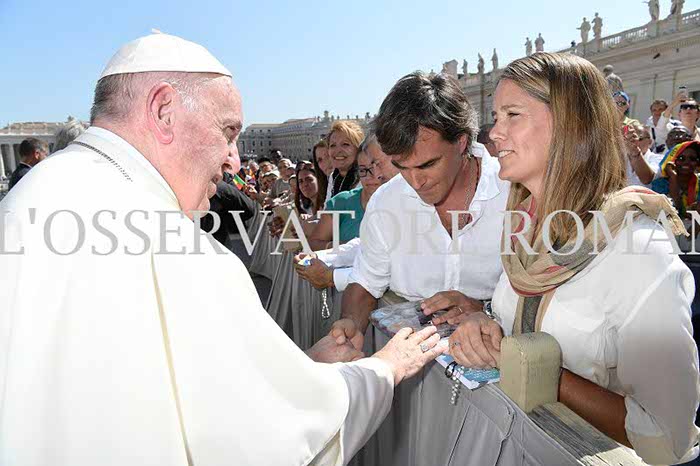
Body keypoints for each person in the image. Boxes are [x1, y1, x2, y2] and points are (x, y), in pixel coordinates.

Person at [0, 33, 447, 465]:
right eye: (227, 131)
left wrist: (306, 366)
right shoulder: (174, 244)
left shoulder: (37, 193)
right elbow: (261, 436)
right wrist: (383, 369)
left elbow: (189, 399)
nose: (234, 159)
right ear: (163, 110)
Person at [450, 52, 699, 465]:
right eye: (495, 116)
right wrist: (486, 320)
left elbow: (665, 436)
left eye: (513, 115)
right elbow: (527, 324)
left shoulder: (638, 250)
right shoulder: (523, 230)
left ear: (572, 124)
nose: (494, 133)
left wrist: (536, 369)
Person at [331, 71, 510, 351]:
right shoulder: (386, 201)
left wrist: (484, 310)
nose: (415, 182)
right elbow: (365, 281)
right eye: (402, 167)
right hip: (408, 360)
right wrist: (351, 323)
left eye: (427, 165)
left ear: (461, 142)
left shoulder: (515, 193)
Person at [296, 133, 401, 292]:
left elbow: (386, 264)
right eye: (364, 170)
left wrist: (332, 275)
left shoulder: (404, 199)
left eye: (378, 165)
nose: (374, 176)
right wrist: (321, 256)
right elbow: (365, 247)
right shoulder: (370, 202)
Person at [651, 140, 700, 218]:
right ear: (672, 161)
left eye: (692, 158)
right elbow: (674, 212)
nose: (687, 162)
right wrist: (673, 177)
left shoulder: (699, 182)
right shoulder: (660, 185)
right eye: (681, 158)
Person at [326, 120, 362, 204]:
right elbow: (327, 208)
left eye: (345, 144)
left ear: (358, 148)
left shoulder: (366, 177)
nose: (338, 150)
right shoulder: (334, 177)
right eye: (333, 145)